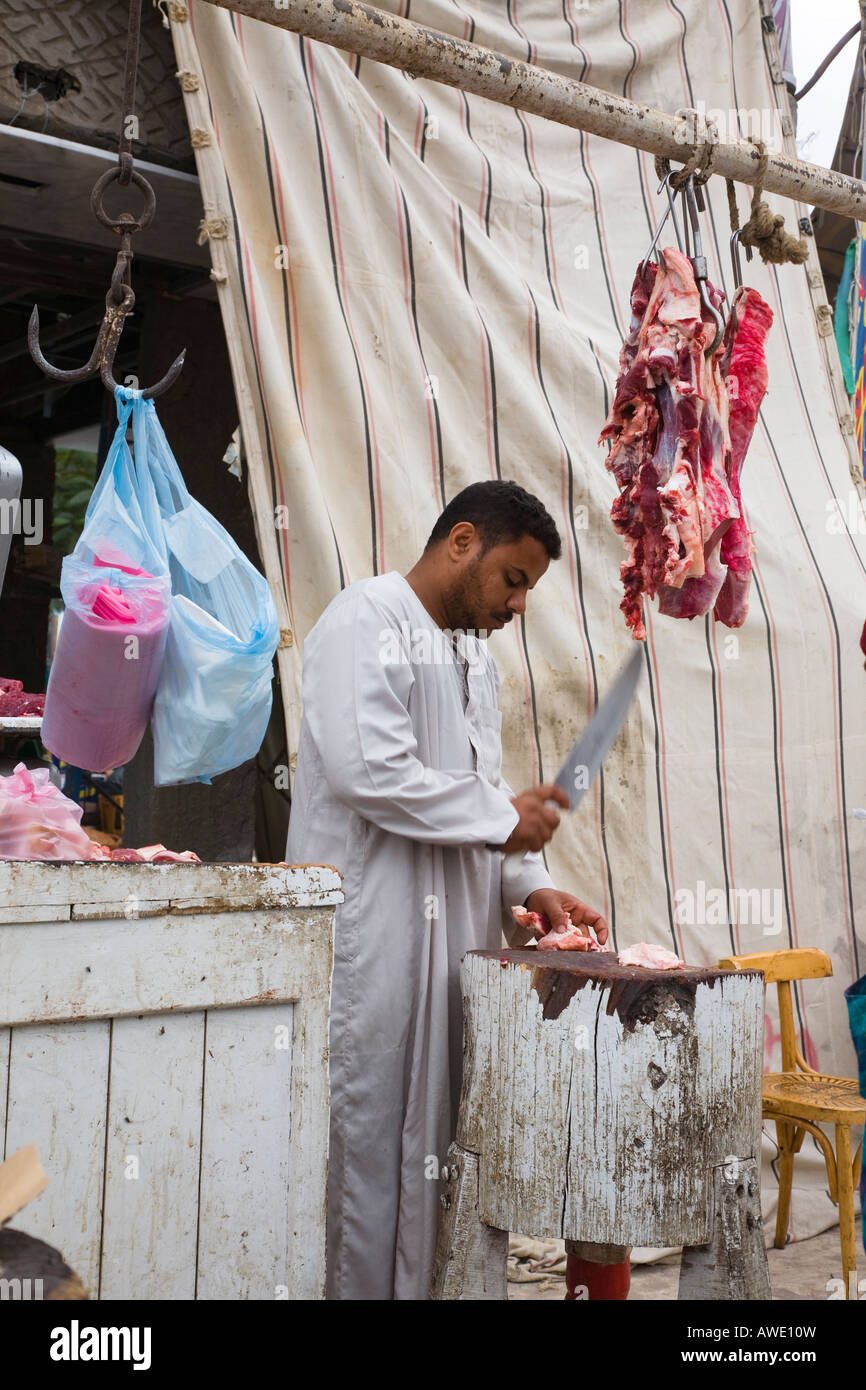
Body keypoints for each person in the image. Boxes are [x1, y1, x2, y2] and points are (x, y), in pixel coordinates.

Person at [286, 480, 608, 1299]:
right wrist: (503, 818)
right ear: (462, 541)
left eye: (528, 588)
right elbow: (372, 773)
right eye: (514, 578)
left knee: (448, 1152)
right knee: (364, 1154)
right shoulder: (366, 620)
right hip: (376, 947)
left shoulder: (473, 660)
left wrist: (535, 890)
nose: (518, 603)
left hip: (455, 952)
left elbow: (481, 799)